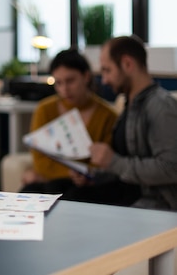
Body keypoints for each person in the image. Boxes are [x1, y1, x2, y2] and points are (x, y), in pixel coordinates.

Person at [63, 35, 177, 210]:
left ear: (127, 64)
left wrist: (113, 162)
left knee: (70, 202)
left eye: (107, 70)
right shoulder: (130, 105)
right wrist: (94, 175)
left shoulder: (160, 106)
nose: (105, 80)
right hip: (125, 195)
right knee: (58, 193)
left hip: (154, 204)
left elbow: (170, 167)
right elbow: (124, 164)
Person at [20, 49, 118, 194]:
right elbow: (39, 159)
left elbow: (104, 161)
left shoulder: (107, 115)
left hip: (87, 185)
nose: (64, 89)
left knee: (66, 192)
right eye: (58, 83)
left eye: (70, 81)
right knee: (30, 191)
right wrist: (68, 173)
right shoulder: (45, 109)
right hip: (51, 181)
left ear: (86, 77)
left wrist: (85, 175)